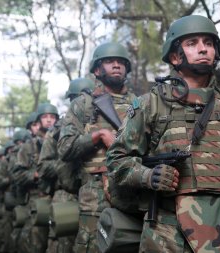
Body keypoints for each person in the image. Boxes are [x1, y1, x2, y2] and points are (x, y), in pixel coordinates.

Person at [106, 15, 220, 253]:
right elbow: (116, 161)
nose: (203, 48)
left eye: (208, 42)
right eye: (192, 43)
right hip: (167, 234)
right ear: (175, 56)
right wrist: (148, 176)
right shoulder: (151, 104)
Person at [58, 42, 139, 253]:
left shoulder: (140, 104)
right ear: (97, 70)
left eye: (121, 62)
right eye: (110, 62)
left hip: (132, 196)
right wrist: (97, 136)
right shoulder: (83, 105)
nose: (116, 66)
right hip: (94, 201)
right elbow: (65, 149)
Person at [40, 78, 95, 253]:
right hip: (67, 194)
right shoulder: (56, 131)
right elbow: (42, 167)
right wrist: (63, 166)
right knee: (62, 244)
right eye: (77, 98)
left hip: (93, 191)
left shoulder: (99, 119)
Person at [13, 102, 59, 253]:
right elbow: (17, 175)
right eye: (45, 117)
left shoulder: (62, 141)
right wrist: (36, 174)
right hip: (37, 202)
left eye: (52, 117)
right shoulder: (28, 146)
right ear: (39, 121)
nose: (49, 120)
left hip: (59, 199)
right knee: (36, 245)